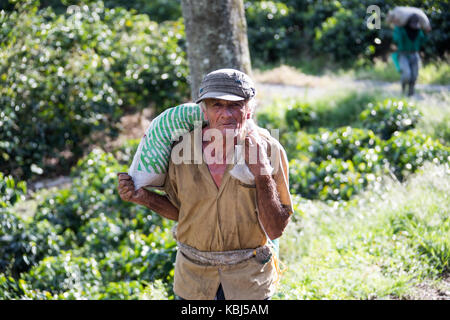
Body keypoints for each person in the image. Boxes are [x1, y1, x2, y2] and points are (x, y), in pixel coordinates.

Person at [118, 68, 293, 300]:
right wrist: (143, 197)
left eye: (235, 105)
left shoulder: (269, 150)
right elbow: (184, 213)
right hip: (193, 283)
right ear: (204, 111)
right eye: (216, 105)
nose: (226, 114)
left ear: (249, 110)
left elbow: (275, 229)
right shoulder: (180, 150)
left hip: (249, 285)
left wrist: (262, 174)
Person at [392, 13, 428, 96]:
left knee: (414, 76)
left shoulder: (418, 31)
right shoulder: (401, 30)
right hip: (403, 55)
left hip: (414, 55)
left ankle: (410, 94)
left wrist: (426, 33)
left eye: (416, 23)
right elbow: (396, 40)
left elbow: (422, 41)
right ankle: (403, 90)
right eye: (413, 23)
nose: (414, 25)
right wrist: (397, 26)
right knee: (407, 75)